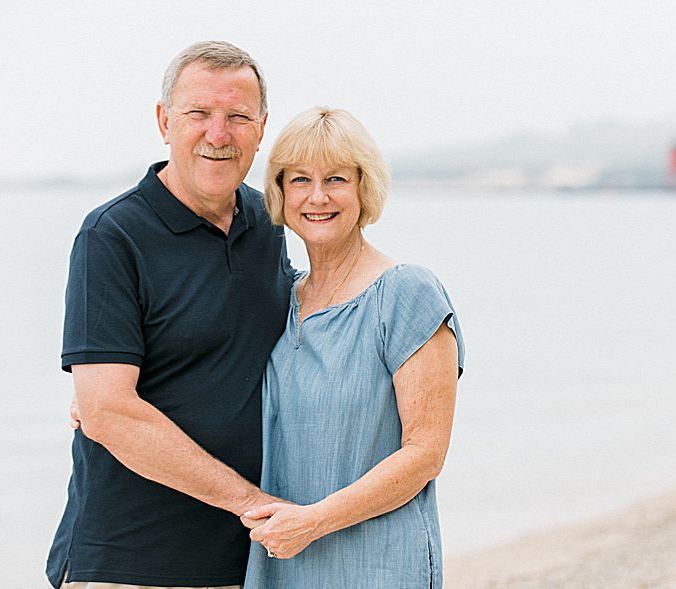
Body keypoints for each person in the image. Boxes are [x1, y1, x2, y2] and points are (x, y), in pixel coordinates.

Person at [49, 41, 292, 588]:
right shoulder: (111, 236)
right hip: (130, 560)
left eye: (237, 117)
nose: (218, 134)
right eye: (198, 114)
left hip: (243, 561)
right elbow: (109, 412)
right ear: (164, 121)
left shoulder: (270, 222)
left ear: (261, 127)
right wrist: (252, 502)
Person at [239, 106, 464, 588]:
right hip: (286, 560)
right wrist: (106, 396)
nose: (317, 196)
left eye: (336, 178)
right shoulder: (281, 297)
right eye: (299, 179)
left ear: (365, 187)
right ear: (279, 192)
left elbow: (425, 453)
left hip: (378, 564)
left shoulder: (406, 293)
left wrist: (313, 521)